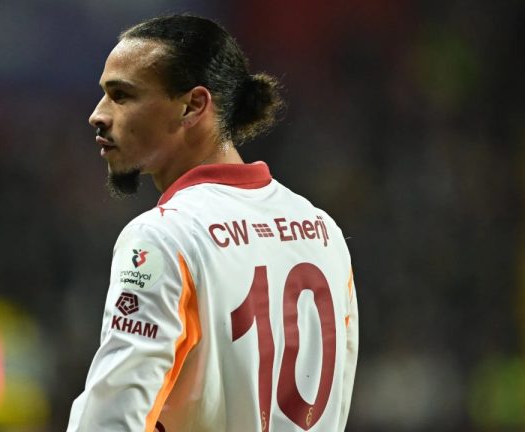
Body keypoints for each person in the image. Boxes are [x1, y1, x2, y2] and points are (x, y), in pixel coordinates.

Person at [67, 14, 358, 432]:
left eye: (122, 95)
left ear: (193, 106)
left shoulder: (164, 237)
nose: (98, 115)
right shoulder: (323, 231)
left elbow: (112, 418)